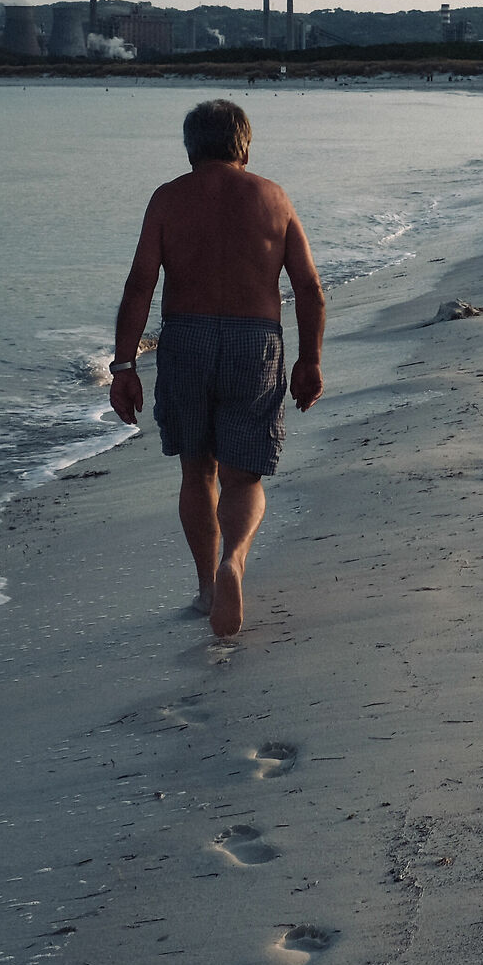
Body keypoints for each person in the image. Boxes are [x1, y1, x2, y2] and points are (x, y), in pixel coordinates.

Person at [109, 99, 324, 637]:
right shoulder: (273, 198)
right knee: (243, 474)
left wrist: (124, 365)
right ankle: (235, 560)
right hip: (255, 340)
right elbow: (309, 289)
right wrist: (309, 359)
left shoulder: (168, 199)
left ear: (190, 148)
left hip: (187, 338)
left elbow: (139, 285)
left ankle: (207, 587)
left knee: (197, 470)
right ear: (244, 145)